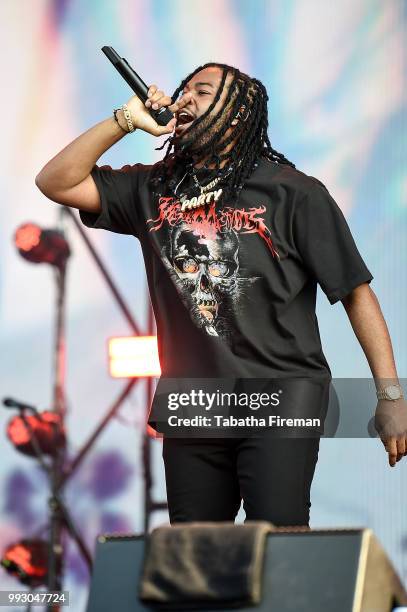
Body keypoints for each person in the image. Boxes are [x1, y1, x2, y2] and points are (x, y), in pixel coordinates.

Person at [35, 62, 407, 527]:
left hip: (280, 394)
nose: (184, 98)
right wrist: (124, 120)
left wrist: (390, 395)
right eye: (183, 90)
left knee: (276, 542)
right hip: (193, 400)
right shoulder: (152, 186)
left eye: (203, 92)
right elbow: (56, 181)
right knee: (194, 553)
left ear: (236, 115)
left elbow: (356, 294)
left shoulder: (295, 194)